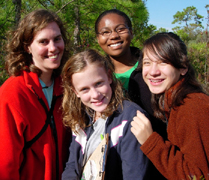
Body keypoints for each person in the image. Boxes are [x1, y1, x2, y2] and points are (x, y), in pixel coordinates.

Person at [0, 9, 71, 180]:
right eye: (43, 41)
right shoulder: (11, 96)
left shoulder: (66, 88)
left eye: (57, 39)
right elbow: (0, 168)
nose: (53, 48)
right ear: (27, 46)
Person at [95, 9, 167, 179]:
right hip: (114, 164)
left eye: (120, 29)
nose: (113, 36)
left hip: (156, 161)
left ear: (131, 32)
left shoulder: (151, 69)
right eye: (105, 32)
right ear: (98, 39)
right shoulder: (97, 75)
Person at [131, 32, 209, 179]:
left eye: (163, 62)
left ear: (183, 67)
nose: (153, 72)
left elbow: (197, 175)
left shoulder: (192, 106)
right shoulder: (173, 102)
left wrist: (150, 142)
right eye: (147, 63)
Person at [61, 49, 149, 180]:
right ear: (75, 92)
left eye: (98, 83)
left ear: (109, 77)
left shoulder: (130, 118)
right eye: (84, 89)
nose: (95, 95)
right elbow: (72, 165)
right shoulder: (80, 118)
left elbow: (135, 174)